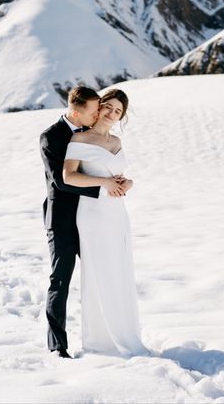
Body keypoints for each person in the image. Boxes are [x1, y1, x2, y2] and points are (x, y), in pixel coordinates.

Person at [39, 86, 127, 358]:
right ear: (77, 112)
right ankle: (58, 345)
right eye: (95, 109)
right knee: (61, 279)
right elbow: (61, 181)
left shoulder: (92, 134)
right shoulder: (52, 137)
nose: (100, 112)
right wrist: (103, 187)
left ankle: (109, 335)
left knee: (105, 274)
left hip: (94, 217)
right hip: (64, 220)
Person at [63, 88, 147, 356]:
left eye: (118, 111)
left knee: (119, 269)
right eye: (108, 106)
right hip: (93, 212)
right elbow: (69, 177)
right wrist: (104, 183)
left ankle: (125, 331)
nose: (112, 113)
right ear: (99, 106)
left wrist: (128, 182)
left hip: (116, 213)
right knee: (100, 271)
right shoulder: (80, 139)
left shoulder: (117, 142)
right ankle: (100, 339)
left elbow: (119, 175)